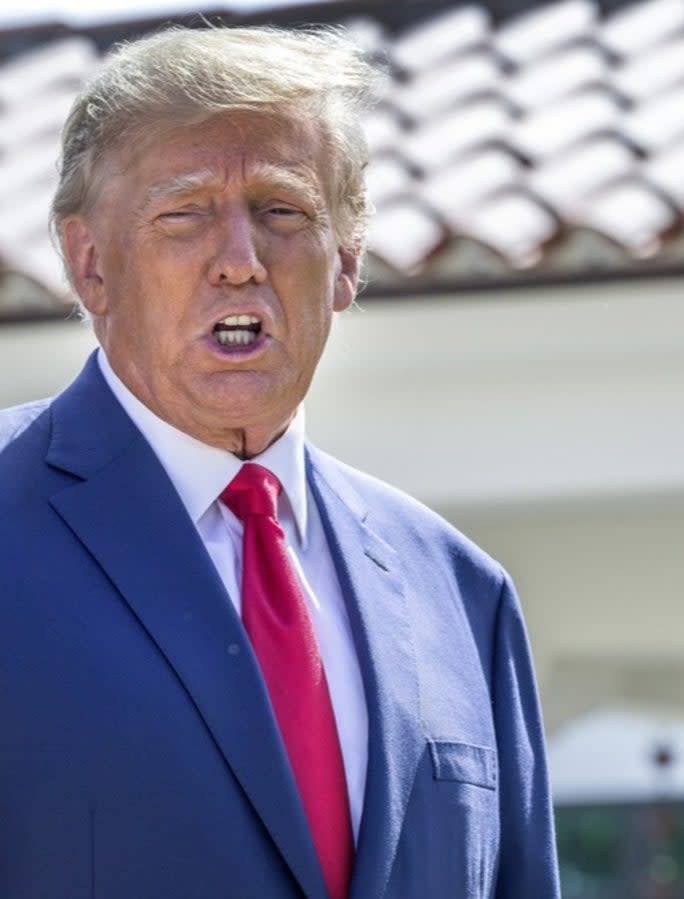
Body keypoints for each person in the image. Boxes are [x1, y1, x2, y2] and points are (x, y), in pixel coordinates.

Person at [0, 25, 559, 899]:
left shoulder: (463, 592)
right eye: (184, 214)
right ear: (90, 263)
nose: (239, 261)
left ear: (346, 263)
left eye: (282, 211)